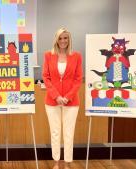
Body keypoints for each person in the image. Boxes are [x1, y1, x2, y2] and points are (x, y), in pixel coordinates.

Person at [42, 28, 83, 169]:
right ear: (56, 39)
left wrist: (67, 97)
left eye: (65, 38)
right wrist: (56, 96)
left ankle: (67, 163)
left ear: (69, 39)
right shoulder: (48, 55)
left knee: (68, 132)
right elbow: (46, 77)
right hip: (52, 101)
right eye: (60, 38)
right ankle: (56, 162)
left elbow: (78, 79)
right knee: (55, 132)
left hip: (71, 102)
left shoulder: (77, 56)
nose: (63, 41)